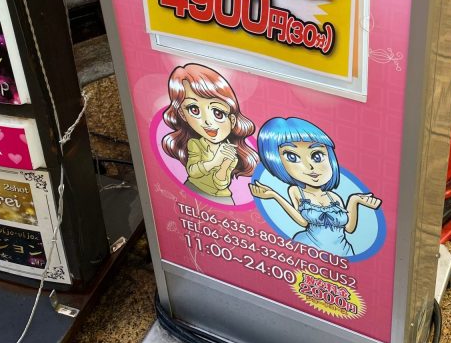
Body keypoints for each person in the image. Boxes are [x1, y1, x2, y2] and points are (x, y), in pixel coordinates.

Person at [250, 116, 381, 255]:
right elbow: (302, 222)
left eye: (317, 155)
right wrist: (274, 195)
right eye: (292, 157)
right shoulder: (296, 191)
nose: (309, 167)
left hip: (343, 251)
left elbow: (349, 228)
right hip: (309, 247)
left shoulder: (333, 197)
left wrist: (355, 200)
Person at [162, 63, 258, 204]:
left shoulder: (231, 152)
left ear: (232, 120)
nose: (207, 121)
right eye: (194, 109)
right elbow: (192, 171)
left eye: (218, 113)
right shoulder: (195, 144)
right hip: (193, 190)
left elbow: (221, 183)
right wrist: (214, 161)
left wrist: (225, 164)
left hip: (223, 198)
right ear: (182, 114)